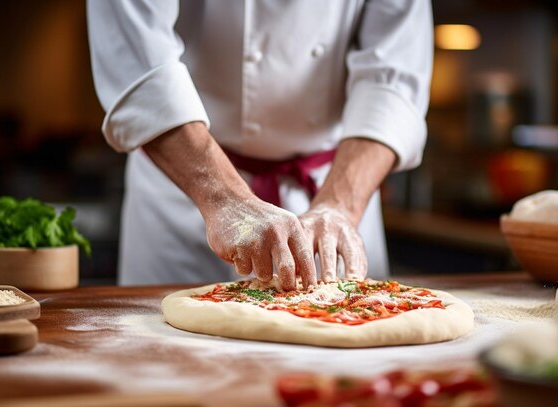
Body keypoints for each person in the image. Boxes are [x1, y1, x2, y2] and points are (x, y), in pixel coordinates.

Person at [87, 0, 432, 290]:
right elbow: (139, 67)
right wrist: (223, 199)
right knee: (166, 354)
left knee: (348, 364)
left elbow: (393, 81)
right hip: (185, 187)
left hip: (334, 190)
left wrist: (339, 205)